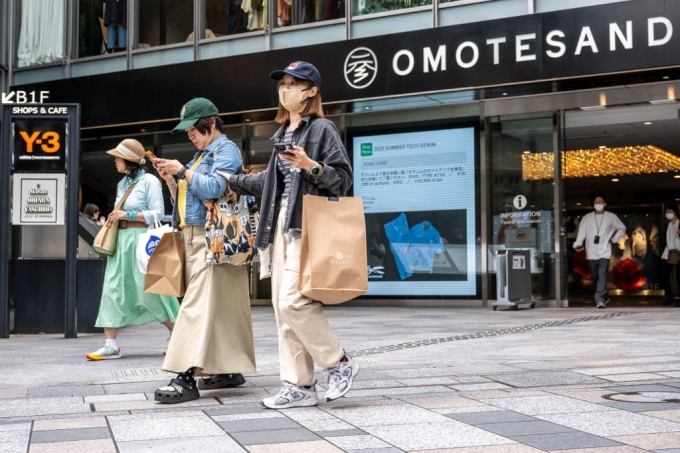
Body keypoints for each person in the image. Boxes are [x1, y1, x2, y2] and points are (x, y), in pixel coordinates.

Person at [219, 61, 359, 409]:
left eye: (294, 83)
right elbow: (271, 184)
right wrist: (230, 180)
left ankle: (339, 362)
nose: (285, 89)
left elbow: (343, 179)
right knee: (283, 314)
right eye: (282, 83)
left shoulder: (322, 129)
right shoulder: (282, 134)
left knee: (292, 302)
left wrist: (311, 165)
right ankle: (299, 386)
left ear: (310, 91)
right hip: (278, 225)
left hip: (305, 224)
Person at [151, 98, 256, 404]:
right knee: (223, 305)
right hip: (200, 236)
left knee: (196, 303)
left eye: (193, 129)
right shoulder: (201, 155)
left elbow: (213, 189)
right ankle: (229, 368)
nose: (190, 135)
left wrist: (182, 170)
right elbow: (188, 201)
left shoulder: (225, 150)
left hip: (215, 238)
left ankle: (184, 376)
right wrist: (172, 181)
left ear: (210, 123)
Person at [86, 139, 180, 360]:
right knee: (113, 287)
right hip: (121, 240)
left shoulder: (150, 181)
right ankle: (110, 345)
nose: (115, 162)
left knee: (151, 290)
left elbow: (157, 214)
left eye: (117, 157)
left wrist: (125, 215)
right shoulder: (122, 184)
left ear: (129, 159)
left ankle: (178, 337)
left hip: (142, 240)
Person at [573, 195, 626, 309]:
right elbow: (581, 233)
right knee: (596, 276)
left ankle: (599, 300)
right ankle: (605, 296)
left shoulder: (611, 217)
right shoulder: (587, 218)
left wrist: (613, 239)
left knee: (602, 275)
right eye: (596, 201)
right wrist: (578, 243)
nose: (598, 203)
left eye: (600, 201)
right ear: (593, 204)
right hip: (591, 252)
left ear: (605, 204)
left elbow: (622, 228)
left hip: (604, 251)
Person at [661, 204, 680, 307]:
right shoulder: (667, 225)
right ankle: (669, 297)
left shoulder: (679, 223)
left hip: (679, 252)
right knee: (664, 275)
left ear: (675, 212)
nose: (668, 214)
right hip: (668, 253)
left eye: (670, 211)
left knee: (679, 277)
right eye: (667, 212)